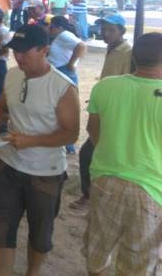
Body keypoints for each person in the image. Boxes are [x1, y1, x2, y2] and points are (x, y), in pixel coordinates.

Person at [0, 25, 80, 276]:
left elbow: (70, 134)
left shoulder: (63, 87)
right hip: (8, 164)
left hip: (45, 172)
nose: (19, 56)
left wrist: (31, 141)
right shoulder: (13, 76)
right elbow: (3, 108)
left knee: (40, 234)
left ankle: (32, 273)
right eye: (16, 50)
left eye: (26, 51)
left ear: (45, 50)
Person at [82, 33, 162, 276]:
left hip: (106, 181)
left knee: (97, 254)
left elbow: (93, 132)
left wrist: (113, 150)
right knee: (137, 268)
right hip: (152, 190)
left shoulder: (106, 86)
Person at [70, 13, 132, 211]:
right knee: (93, 154)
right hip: (104, 110)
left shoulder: (127, 53)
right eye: (104, 29)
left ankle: (91, 197)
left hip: (114, 114)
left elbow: (127, 85)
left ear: (121, 31)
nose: (105, 33)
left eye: (111, 30)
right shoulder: (112, 49)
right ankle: (93, 195)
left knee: (89, 153)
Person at [47, 15, 85, 154]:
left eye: (51, 27)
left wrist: (71, 63)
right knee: (60, 108)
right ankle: (65, 143)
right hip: (60, 71)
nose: (49, 29)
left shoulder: (64, 35)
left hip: (64, 71)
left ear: (58, 27)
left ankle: (68, 145)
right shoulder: (61, 36)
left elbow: (81, 46)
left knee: (66, 109)